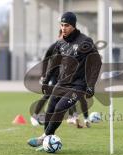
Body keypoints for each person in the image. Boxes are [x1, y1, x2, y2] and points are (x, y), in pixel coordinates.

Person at [27, 11, 102, 147]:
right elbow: (54, 62)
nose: (63, 28)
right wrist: (46, 79)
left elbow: (97, 63)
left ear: (73, 25)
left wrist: (91, 85)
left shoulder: (85, 41)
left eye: (66, 25)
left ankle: (43, 138)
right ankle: (47, 141)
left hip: (78, 85)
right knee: (50, 108)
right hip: (61, 83)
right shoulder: (61, 43)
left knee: (61, 107)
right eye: (62, 25)